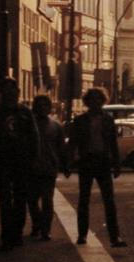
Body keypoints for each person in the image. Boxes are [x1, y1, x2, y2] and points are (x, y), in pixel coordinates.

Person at [66, 88, 127, 247]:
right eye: (92, 99)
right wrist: (69, 161)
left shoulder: (108, 120)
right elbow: (73, 142)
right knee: (84, 200)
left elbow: (113, 143)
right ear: (87, 102)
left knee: (109, 201)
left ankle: (115, 237)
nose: (95, 102)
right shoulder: (80, 120)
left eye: (98, 99)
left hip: (103, 161)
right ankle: (82, 235)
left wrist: (116, 164)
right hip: (87, 161)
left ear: (102, 101)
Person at [0, 79, 40, 251]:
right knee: (5, 200)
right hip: (3, 162)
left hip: (22, 162)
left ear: (17, 93)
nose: (10, 94)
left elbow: (34, 136)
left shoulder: (25, 112)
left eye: (12, 91)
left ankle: (17, 233)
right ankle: (7, 234)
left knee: (20, 199)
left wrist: (34, 158)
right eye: (6, 91)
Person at [27, 95, 65, 240]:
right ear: (35, 107)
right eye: (40, 105)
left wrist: (64, 165)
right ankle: (37, 224)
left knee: (48, 200)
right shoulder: (29, 125)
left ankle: (45, 229)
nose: (43, 108)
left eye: (45, 105)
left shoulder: (56, 126)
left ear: (49, 108)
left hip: (49, 168)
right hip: (32, 168)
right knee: (31, 200)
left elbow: (61, 147)